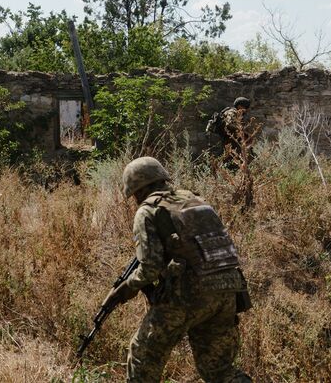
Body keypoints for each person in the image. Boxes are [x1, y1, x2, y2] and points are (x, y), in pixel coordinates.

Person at [103, 156, 253, 382]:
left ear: (138, 189)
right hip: (229, 290)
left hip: (190, 294)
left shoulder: (147, 211)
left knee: (143, 357)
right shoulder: (197, 200)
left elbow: (150, 268)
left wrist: (125, 289)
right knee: (220, 371)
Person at [205, 97, 254, 167]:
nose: (246, 109)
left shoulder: (236, 113)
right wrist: (244, 133)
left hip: (228, 139)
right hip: (222, 139)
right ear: (240, 106)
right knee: (221, 159)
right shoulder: (232, 112)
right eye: (246, 107)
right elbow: (229, 124)